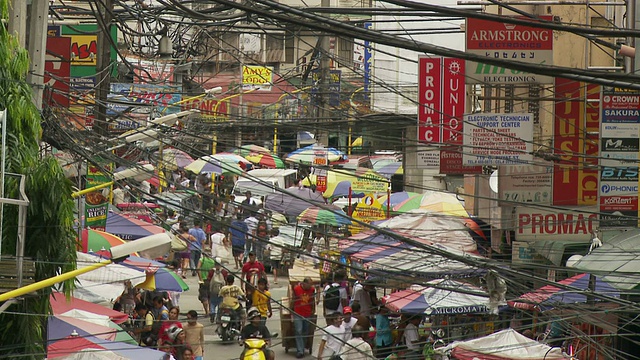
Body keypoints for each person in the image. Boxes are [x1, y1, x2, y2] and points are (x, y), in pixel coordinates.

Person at [291, 277, 316, 359]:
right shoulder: (297, 289)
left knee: (305, 331)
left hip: (307, 313)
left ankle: (302, 347)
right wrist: (291, 310)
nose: (310, 286)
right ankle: (300, 351)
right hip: (297, 313)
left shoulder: (312, 290)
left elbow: (312, 300)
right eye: (309, 284)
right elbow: (293, 299)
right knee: (298, 331)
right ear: (304, 283)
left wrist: (313, 310)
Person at [207, 259, 228, 323]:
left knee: (212, 304)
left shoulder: (211, 271)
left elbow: (208, 280)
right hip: (221, 292)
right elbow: (226, 281)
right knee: (220, 306)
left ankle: (212, 313)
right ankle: (218, 318)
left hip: (213, 291)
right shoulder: (224, 272)